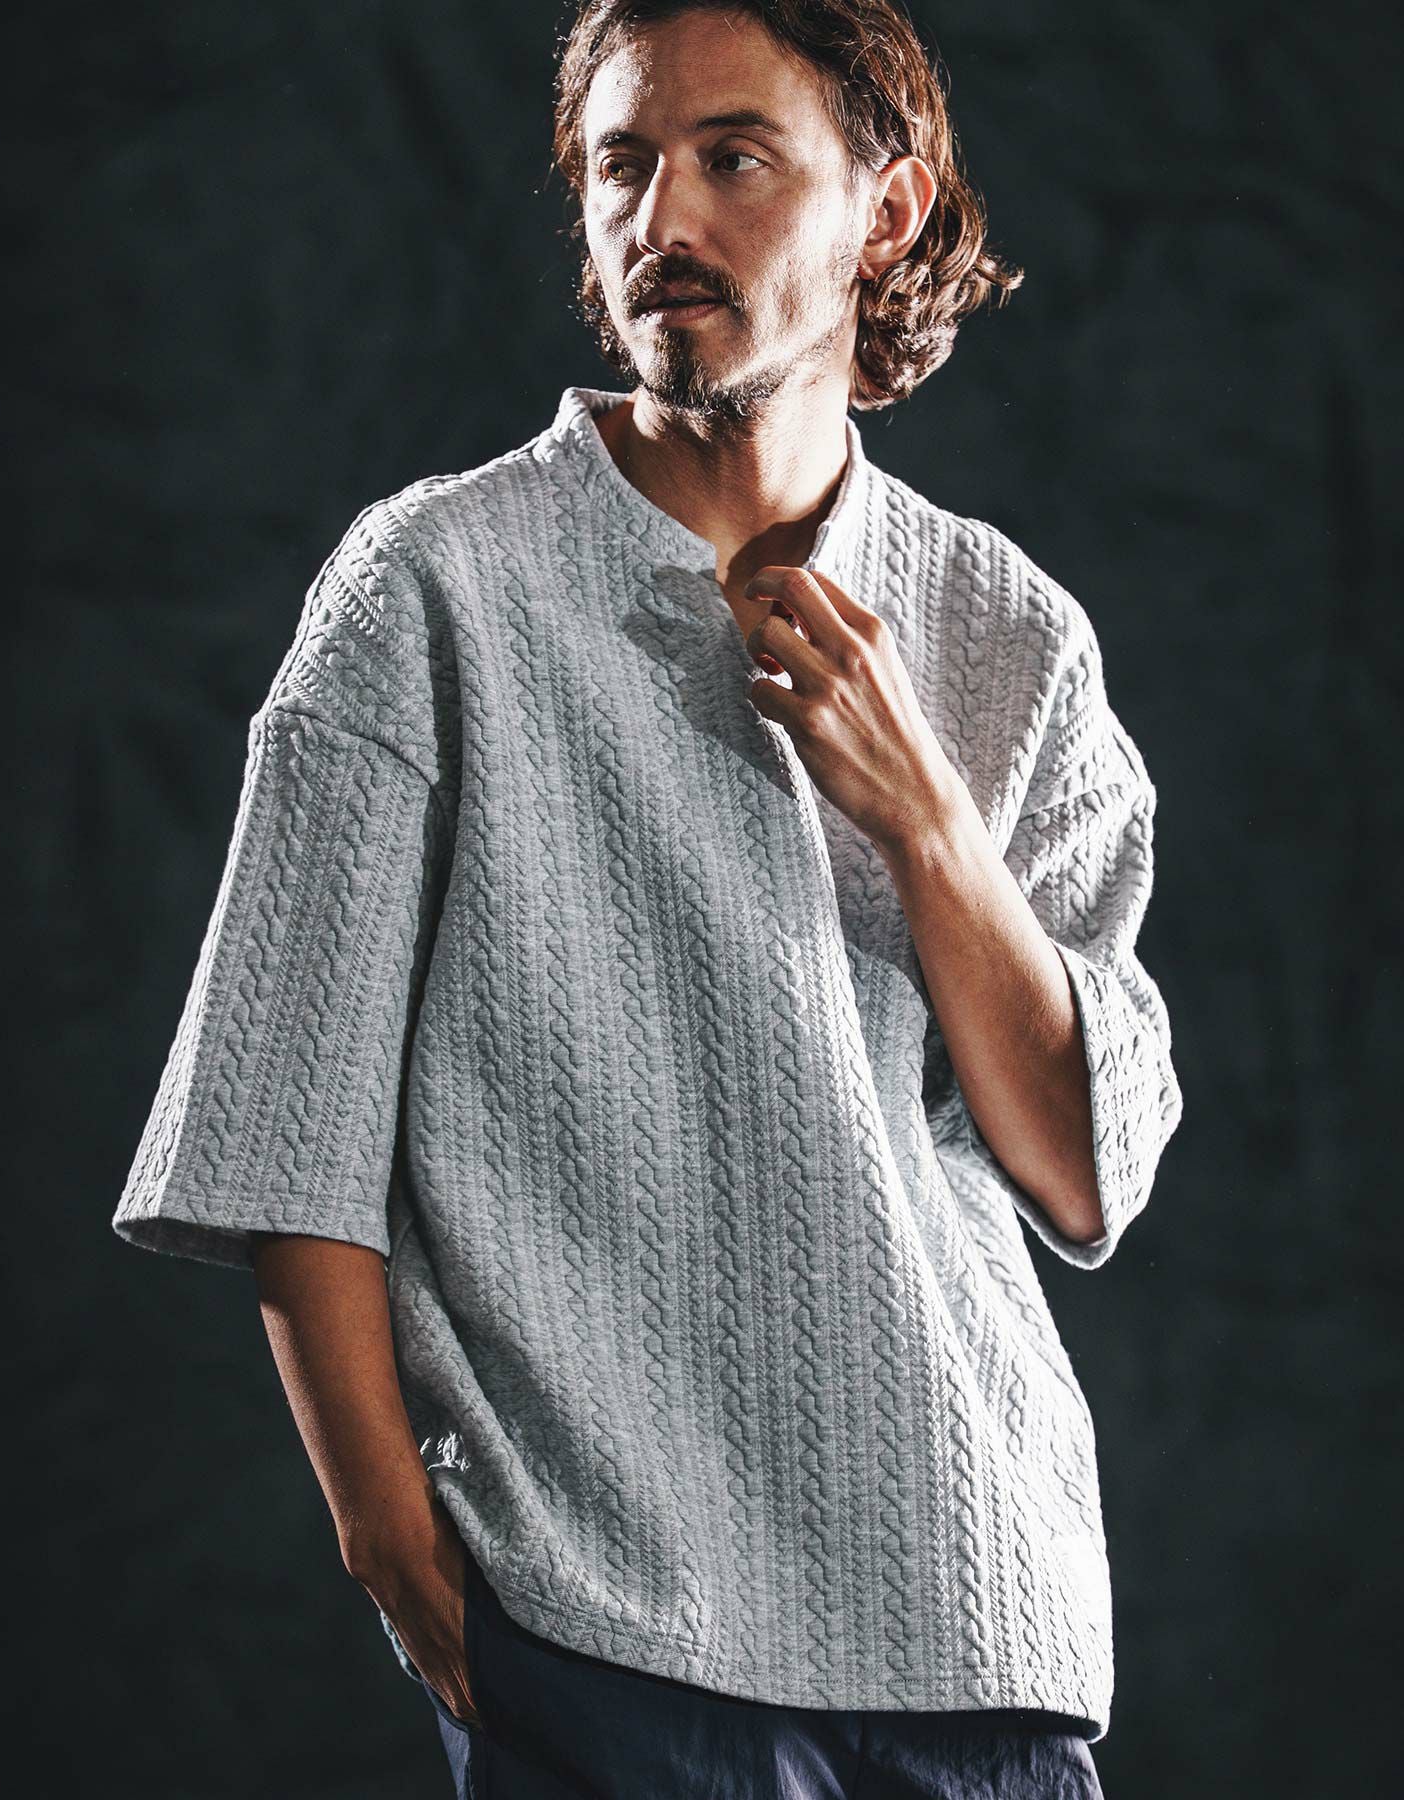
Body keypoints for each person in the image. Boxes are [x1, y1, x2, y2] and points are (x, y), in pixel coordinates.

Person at [112, 3, 1183, 1794]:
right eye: (623, 164)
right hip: (601, 1632)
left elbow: (1083, 1169)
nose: (659, 218)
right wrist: (402, 1555)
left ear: (889, 212)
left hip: (983, 1628)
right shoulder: (428, 590)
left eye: (734, 157)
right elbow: (285, 1143)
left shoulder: (1013, 636)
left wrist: (926, 816)